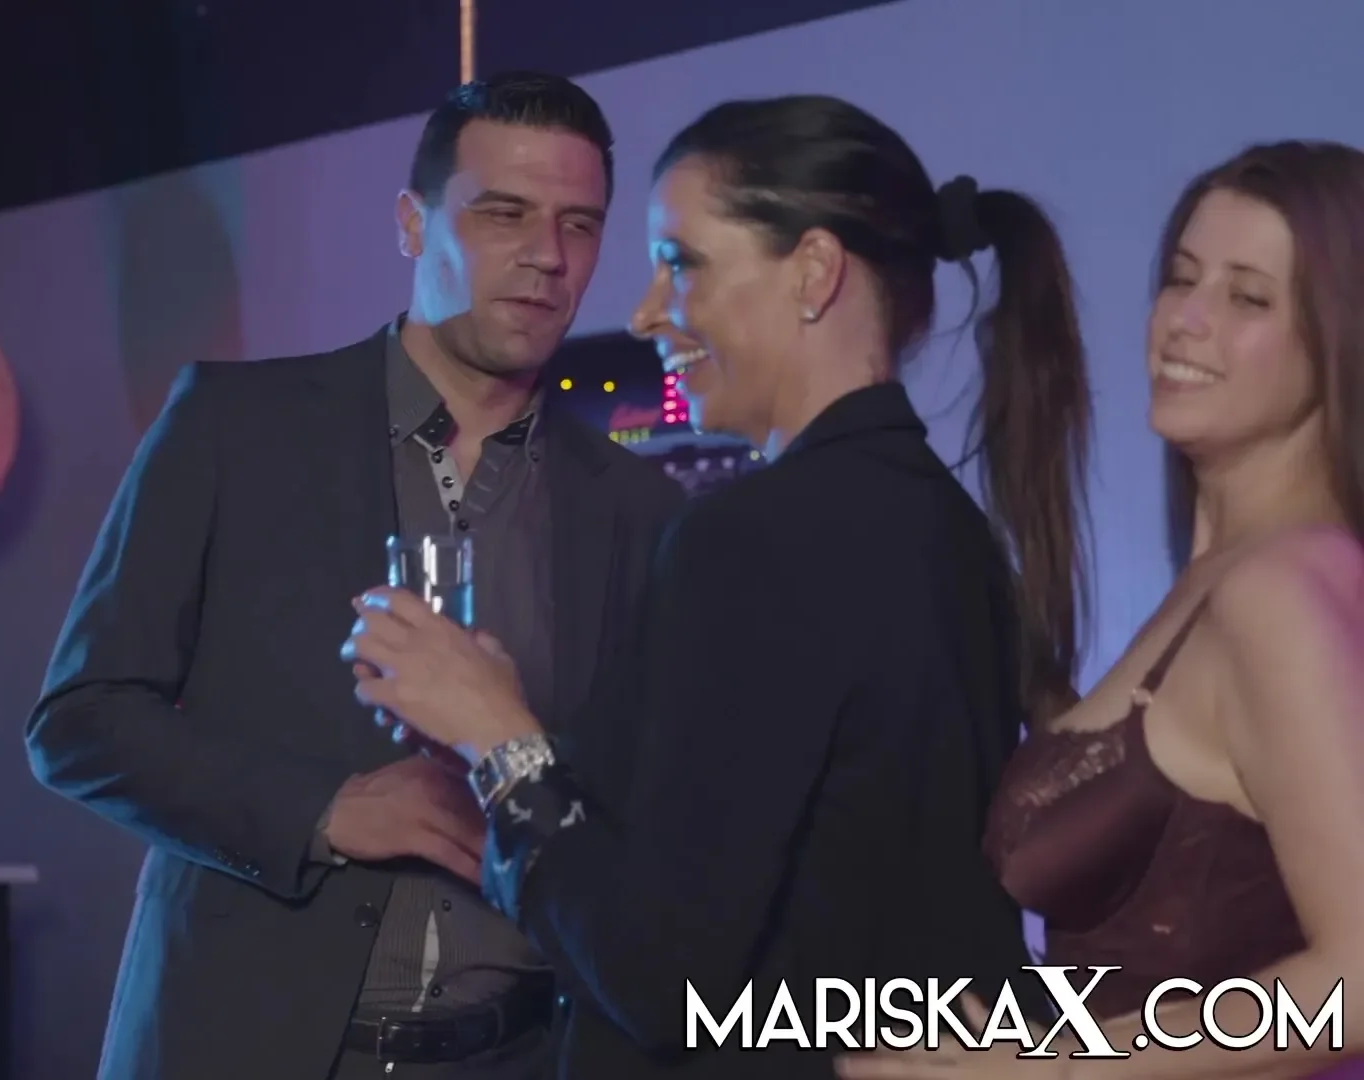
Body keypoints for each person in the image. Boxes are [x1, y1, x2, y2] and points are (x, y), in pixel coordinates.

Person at [342, 94, 1090, 1077]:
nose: (645, 310)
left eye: (681, 263)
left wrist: (502, 741)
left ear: (814, 272)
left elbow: (656, 973)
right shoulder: (951, 529)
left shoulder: (755, 537)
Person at [26, 72, 684, 1079]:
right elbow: (79, 722)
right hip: (245, 1049)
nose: (548, 256)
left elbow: (645, 811)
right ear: (413, 224)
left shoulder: (638, 508)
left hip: (524, 1055)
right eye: (503, 213)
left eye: (580, 225)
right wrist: (325, 811)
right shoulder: (232, 427)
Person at [837, 141, 1364, 1079]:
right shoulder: (1224, 581)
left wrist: (1051, 1065)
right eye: (1182, 279)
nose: (1185, 321)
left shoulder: (1277, 593)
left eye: (1248, 298)